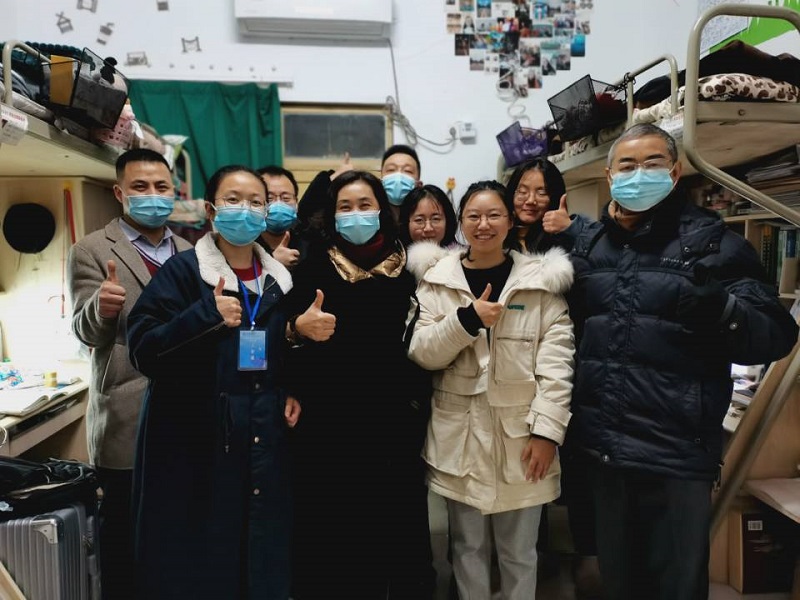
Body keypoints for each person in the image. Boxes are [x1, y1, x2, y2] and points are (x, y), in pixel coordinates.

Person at [565, 123, 799, 600]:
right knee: (619, 581)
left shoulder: (714, 244)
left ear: (674, 173)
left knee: (676, 586)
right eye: (627, 165)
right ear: (610, 177)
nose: (639, 174)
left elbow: (774, 335)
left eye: (652, 163)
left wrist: (725, 310)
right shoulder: (590, 249)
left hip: (674, 452)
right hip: (604, 449)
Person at [126, 165, 320, 599]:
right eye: (233, 200)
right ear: (211, 210)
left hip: (262, 432)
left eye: (255, 202)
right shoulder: (182, 272)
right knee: (204, 552)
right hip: (195, 437)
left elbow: (269, 351)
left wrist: (291, 370)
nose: (245, 210)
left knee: (260, 545)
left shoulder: (279, 280)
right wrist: (204, 316)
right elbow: (142, 349)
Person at [407, 180, 575, 600]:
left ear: (510, 220)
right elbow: (422, 352)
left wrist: (547, 433)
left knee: (519, 553)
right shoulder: (436, 281)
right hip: (458, 441)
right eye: (474, 216)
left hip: (522, 438)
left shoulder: (540, 283)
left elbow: (557, 365)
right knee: (467, 549)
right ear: (461, 223)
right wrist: (466, 320)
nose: (484, 224)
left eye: (494, 214)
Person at [285, 170, 434, 599]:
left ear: (382, 210)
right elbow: (285, 337)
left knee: (400, 530)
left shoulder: (412, 269)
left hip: (397, 420)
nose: (356, 214)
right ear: (332, 215)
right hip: (330, 423)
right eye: (345, 207)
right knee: (337, 537)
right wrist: (297, 328)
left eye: (365, 205)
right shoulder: (313, 265)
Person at [67, 148, 193, 600]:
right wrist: (100, 309)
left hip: (185, 409)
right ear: (120, 193)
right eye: (140, 187)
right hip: (126, 411)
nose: (152, 195)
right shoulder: (91, 249)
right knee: (123, 532)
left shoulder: (190, 251)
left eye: (161, 187)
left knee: (177, 529)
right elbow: (84, 332)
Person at [505, 156, 601, 596]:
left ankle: (587, 557)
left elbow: (595, 286)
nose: (530, 199)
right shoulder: (498, 234)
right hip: (514, 370)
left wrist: (572, 232)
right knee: (525, 465)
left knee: (575, 467)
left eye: (541, 191)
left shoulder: (575, 236)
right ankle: (535, 553)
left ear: (558, 195)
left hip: (566, 364)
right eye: (523, 190)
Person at [256, 165, 306, 269]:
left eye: (286, 198)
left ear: (296, 203)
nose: (278, 204)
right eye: (269, 198)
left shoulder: (309, 241)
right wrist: (273, 262)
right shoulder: (244, 243)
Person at [381, 144, 423, 223]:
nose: (398, 177)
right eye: (391, 170)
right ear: (381, 181)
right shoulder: (372, 219)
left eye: (408, 171)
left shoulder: (425, 224)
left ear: (419, 185)